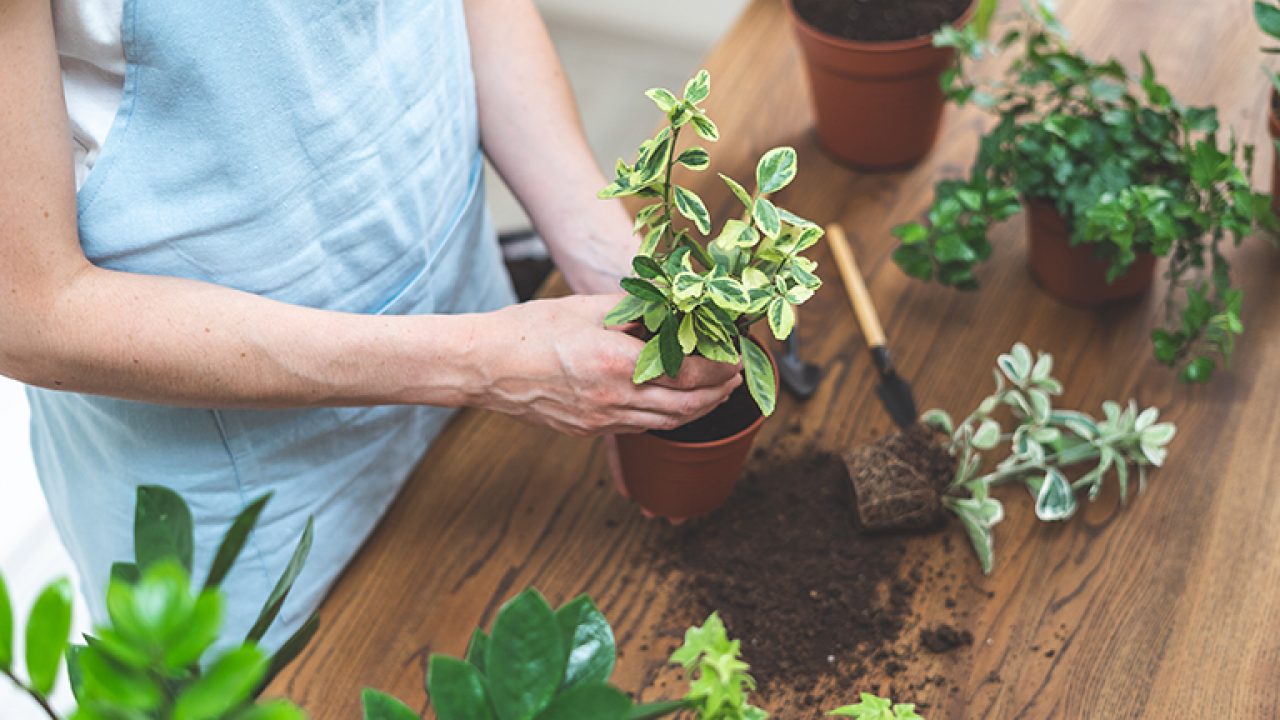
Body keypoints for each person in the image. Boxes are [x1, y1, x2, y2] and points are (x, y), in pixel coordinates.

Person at [0, 0, 740, 649]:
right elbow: (28, 312)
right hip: (242, 491)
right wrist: (479, 365)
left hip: (477, 336)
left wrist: (611, 268)